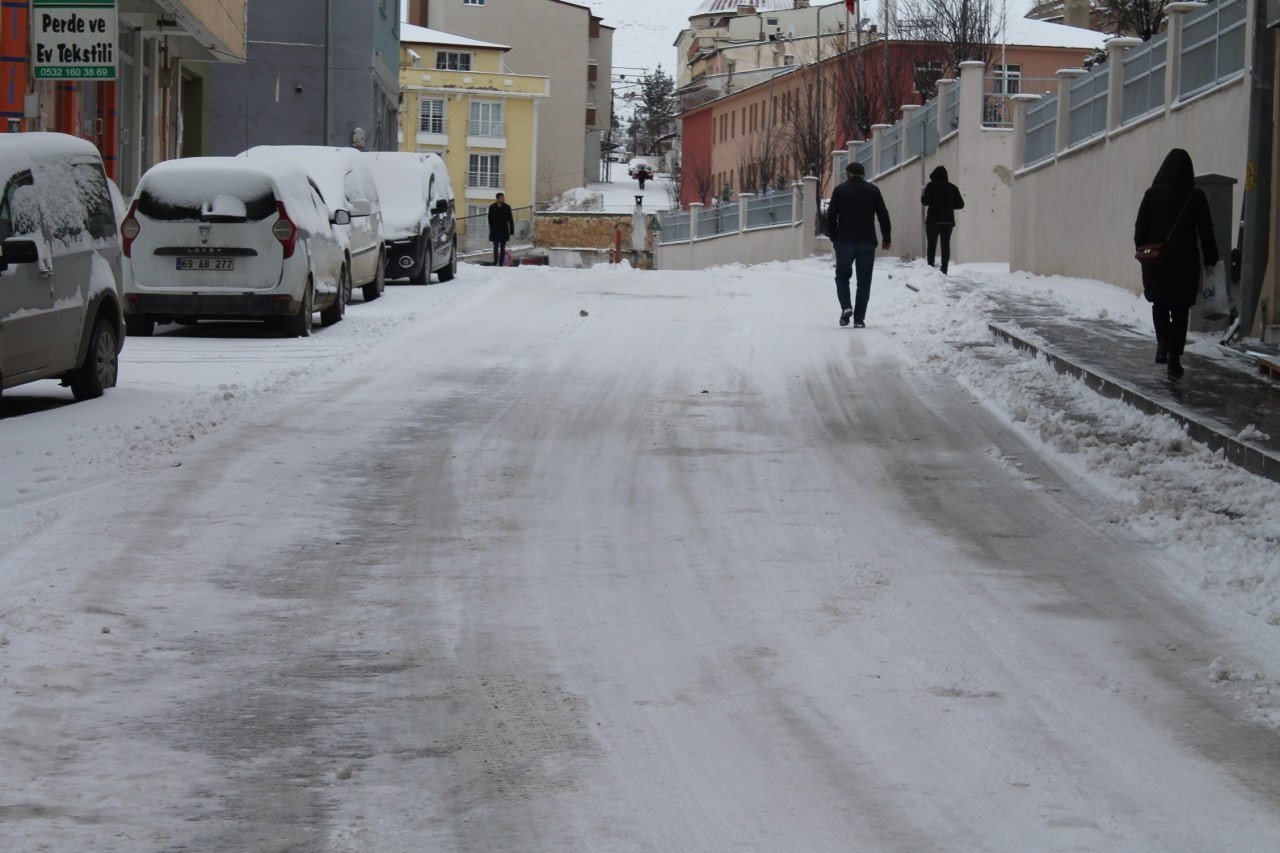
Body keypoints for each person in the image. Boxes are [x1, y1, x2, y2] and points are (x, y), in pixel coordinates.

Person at [1133, 148, 1219, 380]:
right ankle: (1174, 358)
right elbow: (1206, 232)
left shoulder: (1151, 195)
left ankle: (1162, 343)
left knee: (1159, 304)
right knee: (1180, 311)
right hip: (1185, 264)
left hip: (1156, 261)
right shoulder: (1195, 196)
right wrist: (1211, 258)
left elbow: (1139, 229)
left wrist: (1144, 251)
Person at [826, 161, 892, 328]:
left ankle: (846, 307)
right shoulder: (873, 191)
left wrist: (834, 237)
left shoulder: (839, 190)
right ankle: (859, 319)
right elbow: (883, 215)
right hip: (867, 242)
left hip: (844, 241)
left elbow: (831, 216)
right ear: (863, 174)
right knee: (864, 281)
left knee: (842, 276)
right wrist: (886, 238)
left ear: (848, 175)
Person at [921, 166, 964, 274]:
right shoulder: (953, 188)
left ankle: (930, 266)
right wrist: (949, 205)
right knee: (945, 244)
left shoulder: (930, 186)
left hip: (932, 221)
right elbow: (960, 204)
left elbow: (925, 201)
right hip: (947, 221)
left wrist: (924, 194)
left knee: (931, 244)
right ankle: (944, 268)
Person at [488, 192, 515, 266]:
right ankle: (495, 262)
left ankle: (500, 263)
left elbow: (510, 220)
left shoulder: (507, 207)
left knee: (502, 248)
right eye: (502, 198)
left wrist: (512, 231)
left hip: (504, 231)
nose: (503, 199)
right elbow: (489, 220)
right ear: (497, 199)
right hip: (495, 231)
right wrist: (491, 230)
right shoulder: (492, 207)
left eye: (503, 198)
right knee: (495, 248)